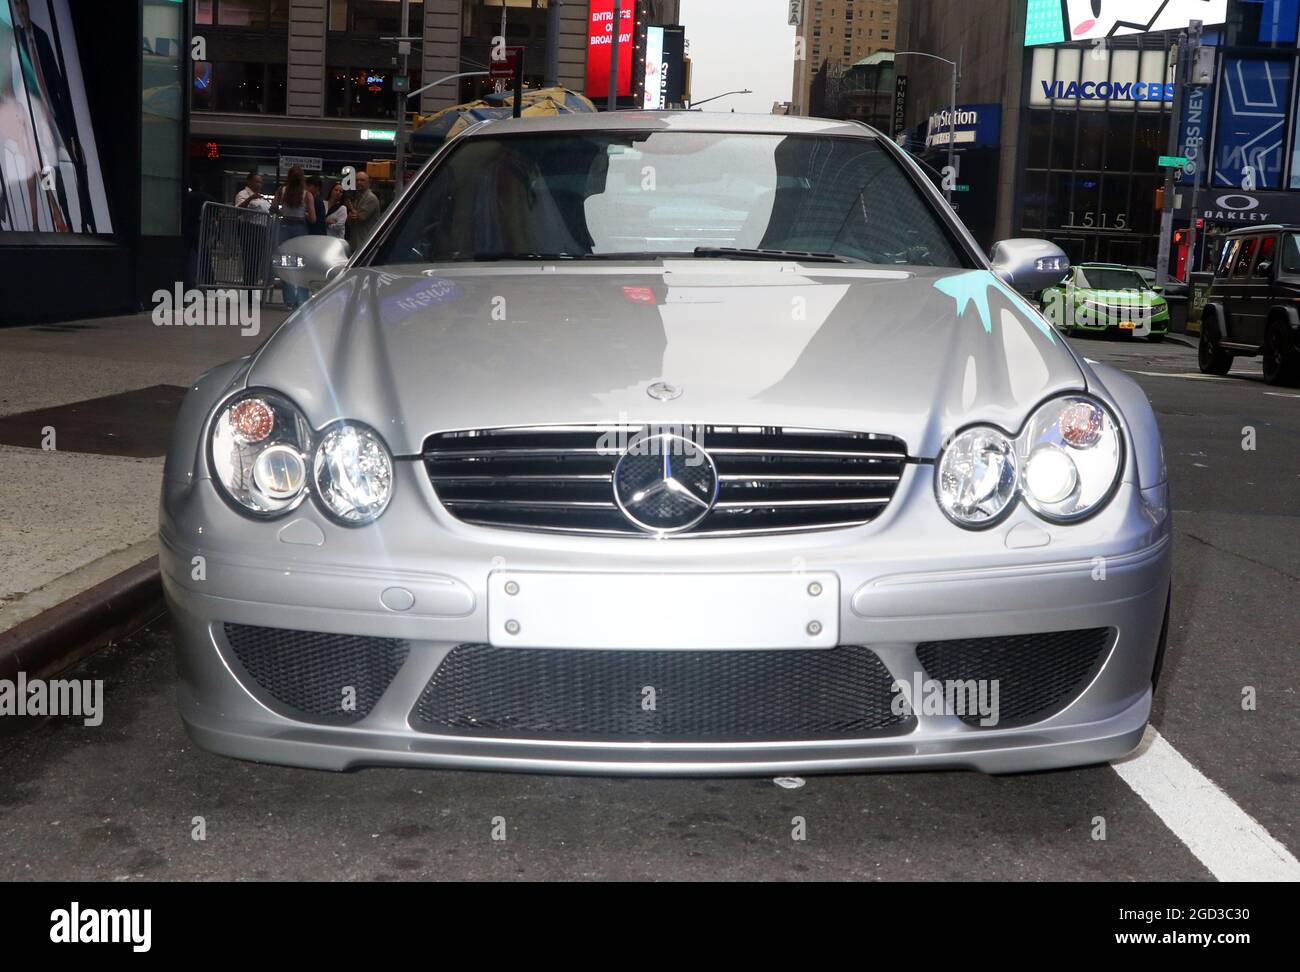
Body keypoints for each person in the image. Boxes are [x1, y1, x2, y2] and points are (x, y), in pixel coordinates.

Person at [273, 164, 316, 308]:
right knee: (301, 266)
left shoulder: (282, 191)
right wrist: (302, 213)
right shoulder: (307, 195)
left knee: (286, 265)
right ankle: (301, 299)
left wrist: (283, 213)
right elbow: (313, 218)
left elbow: (273, 208)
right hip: (300, 230)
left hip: (284, 228)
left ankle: (289, 300)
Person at [346, 169, 381, 247]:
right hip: (356, 241)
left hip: (365, 242)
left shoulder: (371, 198)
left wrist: (351, 209)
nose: (359, 182)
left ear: (368, 183)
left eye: (362, 180)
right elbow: (350, 220)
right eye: (357, 180)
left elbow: (360, 217)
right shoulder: (358, 197)